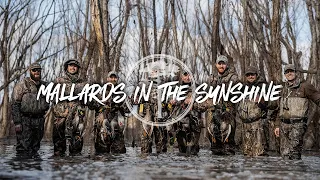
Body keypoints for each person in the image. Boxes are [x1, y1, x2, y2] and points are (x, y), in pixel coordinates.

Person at [274, 64, 320, 160]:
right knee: (284, 155)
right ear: (284, 74)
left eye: (291, 71)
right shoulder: (282, 88)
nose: (289, 73)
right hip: (283, 126)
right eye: (287, 72)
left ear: (296, 72)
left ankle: (296, 174)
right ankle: (287, 174)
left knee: (294, 154)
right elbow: (278, 108)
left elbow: (318, 99)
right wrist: (277, 125)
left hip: (298, 125)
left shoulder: (305, 86)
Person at [12, 63, 49, 156]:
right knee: (23, 148)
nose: (36, 72)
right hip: (25, 120)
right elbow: (15, 104)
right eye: (34, 70)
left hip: (40, 120)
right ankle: (22, 168)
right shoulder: (21, 85)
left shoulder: (46, 86)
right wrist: (17, 122)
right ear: (30, 71)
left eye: (38, 70)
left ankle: (35, 169)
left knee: (35, 148)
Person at [52, 59, 87, 156]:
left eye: (75, 66)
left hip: (77, 114)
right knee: (59, 148)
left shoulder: (83, 83)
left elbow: (89, 99)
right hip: (62, 114)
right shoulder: (59, 81)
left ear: (78, 69)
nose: (73, 67)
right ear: (67, 67)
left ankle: (75, 165)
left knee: (77, 144)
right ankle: (60, 164)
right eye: (70, 65)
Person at [207, 55, 239, 155]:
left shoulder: (233, 77)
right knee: (214, 140)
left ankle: (229, 167)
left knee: (228, 140)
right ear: (216, 65)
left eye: (223, 64)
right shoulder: (211, 78)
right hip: (213, 111)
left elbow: (233, 91)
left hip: (227, 112)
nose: (221, 66)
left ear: (226, 65)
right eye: (219, 63)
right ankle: (216, 165)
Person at [93, 71, 128, 154]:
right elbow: (93, 105)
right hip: (103, 125)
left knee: (119, 153)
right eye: (111, 77)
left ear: (117, 79)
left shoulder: (121, 93)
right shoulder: (100, 91)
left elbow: (128, 109)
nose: (113, 79)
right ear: (107, 79)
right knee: (101, 153)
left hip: (117, 125)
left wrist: (120, 106)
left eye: (115, 77)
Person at [237, 66, 267, 156]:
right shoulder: (242, 88)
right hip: (245, 125)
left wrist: (262, 100)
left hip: (257, 124)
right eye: (248, 75)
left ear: (256, 75)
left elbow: (272, 104)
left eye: (252, 74)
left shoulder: (263, 86)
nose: (250, 76)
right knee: (246, 153)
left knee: (259, 153)